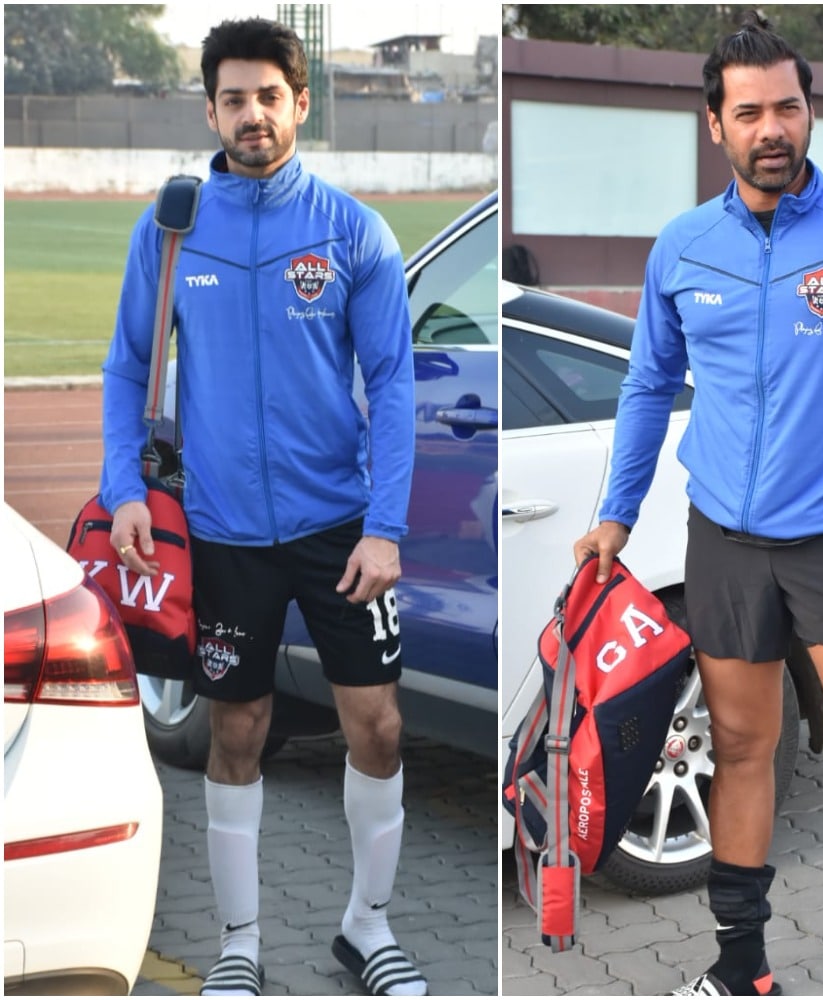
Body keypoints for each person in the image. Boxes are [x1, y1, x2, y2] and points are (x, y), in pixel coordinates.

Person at [573, 12, 823, 999]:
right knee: (744, 746)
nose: (771, 128)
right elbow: (644, 389)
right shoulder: (681, 249)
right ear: (714, 124)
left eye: (787, 108)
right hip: (722, 541)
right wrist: (616, 512)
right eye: (748, 111)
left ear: (809, 113)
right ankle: (741, 967)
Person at [101, 17, 427, 998]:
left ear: (299, 104)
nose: (252, 114)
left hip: (338, 530)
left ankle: (366, 928)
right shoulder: (170, 228)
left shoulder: (351, 230)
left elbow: (396, 382)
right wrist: (125, 489)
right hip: (222, 530)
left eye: (268, 96)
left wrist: (386, 523)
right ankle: (241, 943)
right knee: (236, 729)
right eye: (233, 98)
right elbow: (126, 369)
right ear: (211, 109)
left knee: (377, 724)